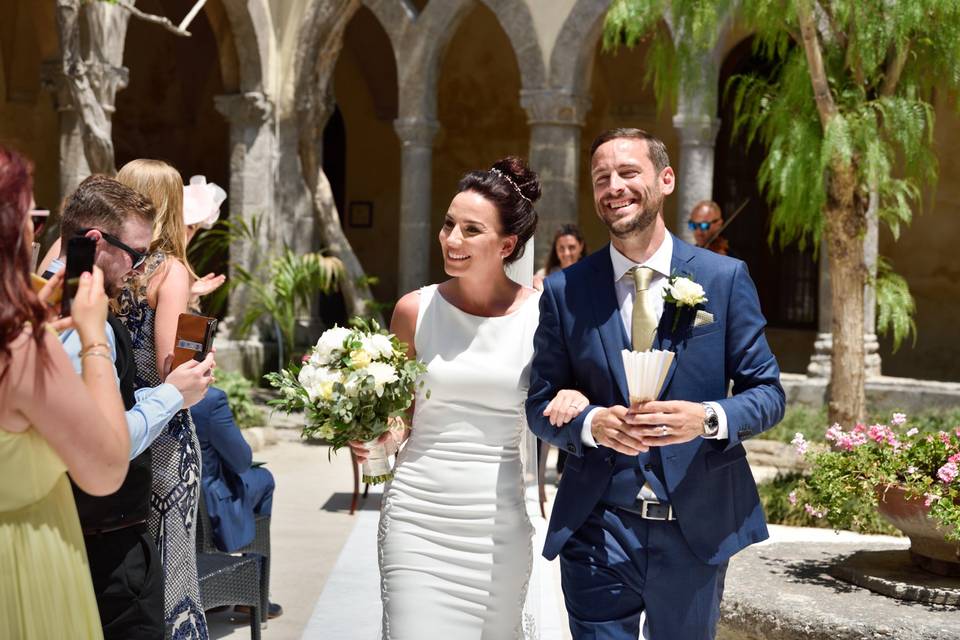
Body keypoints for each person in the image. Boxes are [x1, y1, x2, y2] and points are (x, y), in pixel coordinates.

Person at [525, 128, 785, 639]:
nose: (613, 187)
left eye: (628, 173)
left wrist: (708, 418)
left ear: (665, 180)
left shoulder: (724, 278)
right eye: (602, 178)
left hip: (695, 529)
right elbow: (540, 404)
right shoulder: (564, 290)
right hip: (599, 530)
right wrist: (590, 422)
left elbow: (768, 393)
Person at [350, 157, 586, 639]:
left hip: (496, 524)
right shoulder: (414, 310)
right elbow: (402, 419)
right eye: (448, 224)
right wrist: (376, 435)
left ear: (507, 245)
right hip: (416, 515)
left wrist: (573, 394)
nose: (452, 239)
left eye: (471, 230)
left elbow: (572, 385)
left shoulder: (543, 316)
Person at [45, 174, 215, 640]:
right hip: (104, 538)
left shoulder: (51, 295)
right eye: (136, 255)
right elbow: (105, 442)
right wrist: (173, 394)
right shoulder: (70, 319)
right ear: (96, 241)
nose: (139, 269)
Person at [0, 145, 130, 639]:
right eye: (30, 218)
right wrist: (95, 336)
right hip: (20, 567)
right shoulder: (22, 348)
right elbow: (106, 469)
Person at [114, 159, 211, 638]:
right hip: (165, 440)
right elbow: (177, 370)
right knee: (172, 565)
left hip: (111, 427)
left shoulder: (105, 267)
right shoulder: (168, 271)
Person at [190, 386, 283, 619]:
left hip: (174, 503)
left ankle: (220, 592)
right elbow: (241, 460)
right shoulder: (209, 399)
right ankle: (254, 593)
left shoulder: (140, 390)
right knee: (265, 479)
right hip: (208, 508)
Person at [532, 223, 587, 290]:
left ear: (581, 246)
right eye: (561, 248)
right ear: (556, 249)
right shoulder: (543, 275)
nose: (566, 253)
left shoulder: (590, 275)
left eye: (571, 247)